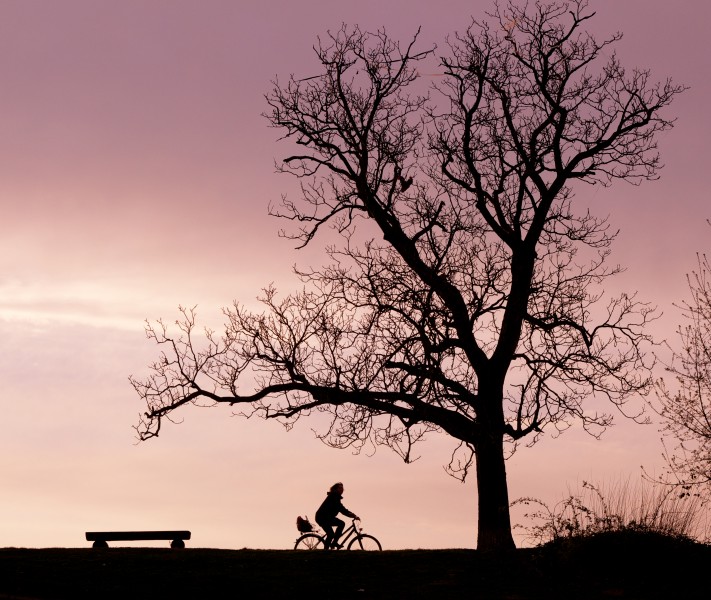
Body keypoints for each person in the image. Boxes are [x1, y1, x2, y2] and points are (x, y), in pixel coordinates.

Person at [315, 482, 359, 549]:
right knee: (333, 532)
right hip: (322, 517)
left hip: (326, 517)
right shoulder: (333, 497)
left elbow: (342, 508)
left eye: (342, 488)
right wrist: (352, 515)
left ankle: (333, 544)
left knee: (337, 527)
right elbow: (341, 509)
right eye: (340, 488)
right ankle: (328, 548)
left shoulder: (335, 497)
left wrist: (352, 514)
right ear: (335, 489)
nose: (342, 489)